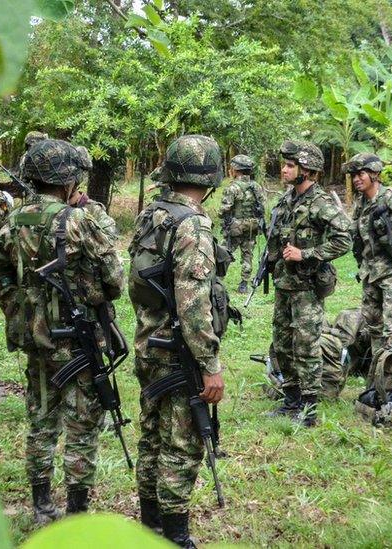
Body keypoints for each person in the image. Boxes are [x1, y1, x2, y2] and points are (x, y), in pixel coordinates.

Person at [0, 139, 125, 525]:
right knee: (82, 425)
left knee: (41, 419)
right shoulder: (77, 220)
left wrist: (23, 312)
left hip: (37, 341)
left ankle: (41, 505)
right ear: (68, 181)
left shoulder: (15, 220)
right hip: (78, 340)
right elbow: (114, 280)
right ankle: (78, 512)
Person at [128, 135, 232, 547]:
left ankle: (150, 524)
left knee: (152, 437)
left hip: (150, 342)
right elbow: (193, 305)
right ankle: (175, 536)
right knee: (182, 446)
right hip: (179, 354)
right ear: (211, 177)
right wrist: (210, 364)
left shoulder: (153, 214)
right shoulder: (191, 224)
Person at [267, 140, 351, 423]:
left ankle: (309, 408)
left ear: (308, 170)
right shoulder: (286, 200)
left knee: (306, 347)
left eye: (291, 166)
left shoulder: (320, 203)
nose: (285, 170)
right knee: (282, 343)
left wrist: (306, 254)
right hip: (284, 285)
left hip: (306, 288)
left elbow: (343, 240)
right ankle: (290, 399)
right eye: (285, 165)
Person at [345, 152, 392, 382]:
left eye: (361, 174)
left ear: (375, 174)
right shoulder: (361, 203)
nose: (356, 179)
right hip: (371, 274)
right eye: (353, 176)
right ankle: (377, 380)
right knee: (374, 329)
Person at [218, 154, 266, 293]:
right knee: (247, 255)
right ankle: (244, 284)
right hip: (252, 226)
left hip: (235, 227)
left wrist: (221, 215)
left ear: (236, 169)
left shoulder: (232, 188)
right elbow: (262, 206)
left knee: (223, 252)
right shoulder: (256, 186)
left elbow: (225, 208)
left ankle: (218, 279)